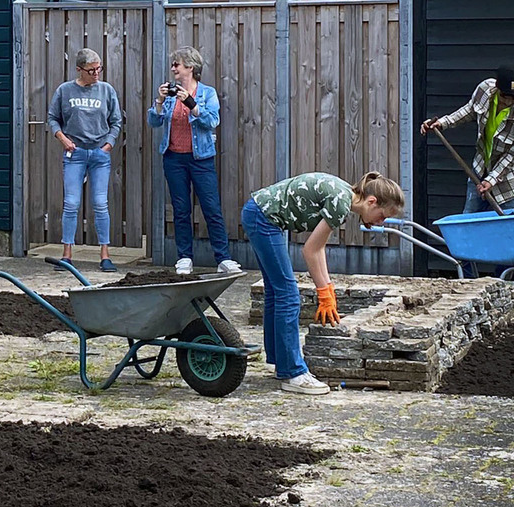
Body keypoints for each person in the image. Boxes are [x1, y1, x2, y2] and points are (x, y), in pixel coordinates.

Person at [242, 172, 404, 395]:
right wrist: (323, 293)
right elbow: (310, 250)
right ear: (371, 201)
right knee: (288, 295)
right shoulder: (340, 204)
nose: (381, 222)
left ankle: (280, 361)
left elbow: (318, 250)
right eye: (382, 216)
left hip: (257, 212)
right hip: (263, 218)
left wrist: (328, 289)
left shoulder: (343, 197)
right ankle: (293, 373)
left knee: (276, 291)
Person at [147, 46, 240, 276]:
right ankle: (184, 258)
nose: (173, 69)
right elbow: (154, 122)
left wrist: (191, 104)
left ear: (190, 67)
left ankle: (223, 259)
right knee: (181, 209)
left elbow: (213, 121)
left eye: (176, 65)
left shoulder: (207, 93)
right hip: (174, 158)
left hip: (201, 159)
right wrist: (159, 101)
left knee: (211, 208)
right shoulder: (171, 95)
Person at [421, 66, 514, 277]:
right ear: (498, 90)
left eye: (513, 98)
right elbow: (469, 110)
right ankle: (468, 280)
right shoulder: (485, 90)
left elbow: (512, 155)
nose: (509, 102)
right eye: (506, 97)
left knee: (506, 233)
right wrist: (442, 123)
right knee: (465, 229)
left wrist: (491, 180)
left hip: (507, 181)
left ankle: (505, 282)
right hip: (480, 170)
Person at [47, 48, 123, 273]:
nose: (96, 73)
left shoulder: (106, 90)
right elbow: (53, 118)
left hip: (99, 154)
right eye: (91, 70)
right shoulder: (65, 90)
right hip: (75, 153)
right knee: (71, 203)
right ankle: (67, 255)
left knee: (100, 203)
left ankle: (105, 255)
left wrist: (108, 144)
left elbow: (116, 121)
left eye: (99, 69)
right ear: (79, 69)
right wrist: (62, 138)